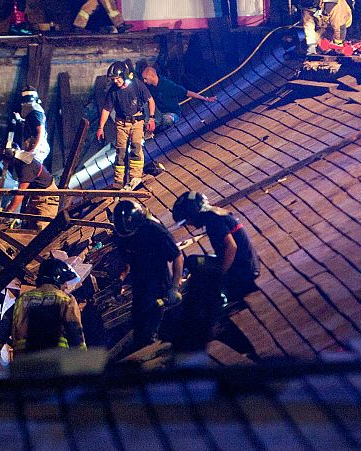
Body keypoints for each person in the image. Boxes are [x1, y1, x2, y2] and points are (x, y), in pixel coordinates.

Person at [113, 200, 183, 350]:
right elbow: (125, 261)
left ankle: (155, 347)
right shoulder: (122, 235)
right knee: (139, 320)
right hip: (139, 282)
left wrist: (174, 287)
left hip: (159, 281)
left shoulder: (155, 231)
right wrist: (120, 279)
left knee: (152, 321)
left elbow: (177, 257)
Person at [0, 258, 86, 357]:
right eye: (64, 282)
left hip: (24, 364)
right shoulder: (66, 299)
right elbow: (75, 332)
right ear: (57, 279)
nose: (66, 287)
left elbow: (2, 330)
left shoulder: (22, 299)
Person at [172, 191, 260, 304]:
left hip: (241, 270)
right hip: (247, 265)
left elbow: (231, 247)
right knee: (196, 261)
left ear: (194, 213)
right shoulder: (216, 214)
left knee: (194, 263)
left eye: (187, 219)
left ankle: (217, 299)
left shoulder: (214, 221)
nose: (189, 224)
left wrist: (220, 274)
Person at [97, 62, 156, 188]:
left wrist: (151, 118)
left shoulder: (136, 85)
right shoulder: (113, 92)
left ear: (124, 75)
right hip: (121, 124)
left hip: (136, 121)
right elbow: (106, 110)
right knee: (121, 152)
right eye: (113, 79)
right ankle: (119, 180)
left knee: (136, 148)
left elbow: (150, 100)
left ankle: (135, 176)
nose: (116, 81)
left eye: (118, 78)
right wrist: (100, 127)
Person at [0, 144, 59, 230]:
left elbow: (20, 194)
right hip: (36, 195)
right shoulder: (21, 159)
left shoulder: (25, 166)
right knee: (29, 228)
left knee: (41, 231)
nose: (4, 163)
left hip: (46, 198)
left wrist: (8, 212)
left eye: (4, 160)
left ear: (9, 157)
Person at [140, 66, 217, 128]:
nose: (144, 81)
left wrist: (205, 98)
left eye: (145, 79)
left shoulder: (168, 85)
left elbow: (186, 92)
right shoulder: (150, 88)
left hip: (172, 113)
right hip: (159, 114)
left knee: (167, 120)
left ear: (152, 76)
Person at [18, 86, 50, 164]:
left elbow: (41, 132)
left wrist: (34, 149)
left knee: (30, 170)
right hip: (34, 146)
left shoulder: (35, 113)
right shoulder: (33, 113)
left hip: (38, 148)